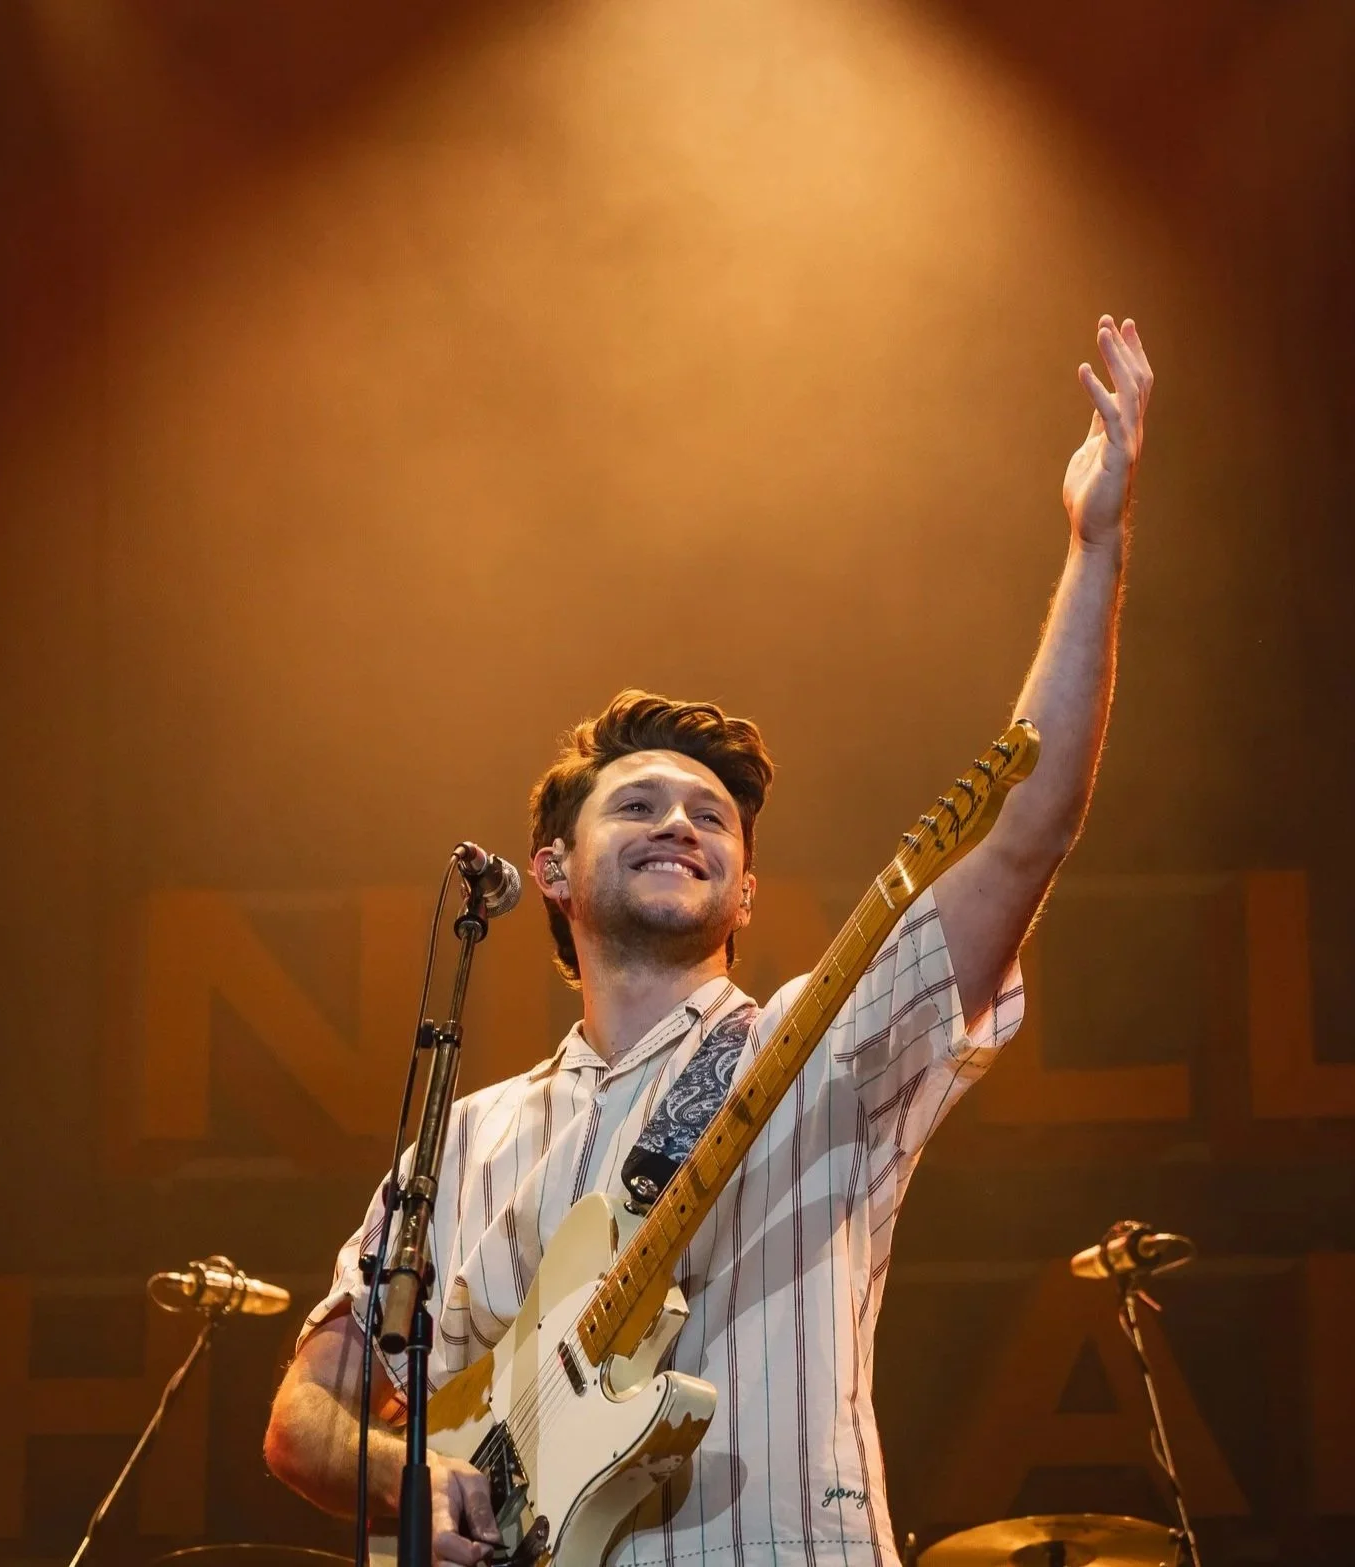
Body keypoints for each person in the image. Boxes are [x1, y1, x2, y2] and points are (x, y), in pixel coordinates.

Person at [263, 316, 1155, 1567]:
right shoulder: (463, 1143)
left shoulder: (821, 1041)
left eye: (713, 817)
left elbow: (1026, 829)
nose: (681, 822)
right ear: (551, 873)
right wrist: (419, 1484)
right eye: (636, 802)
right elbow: (303, 1412)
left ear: (743, 892)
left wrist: (1095, 542)